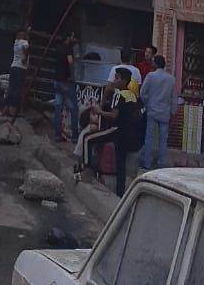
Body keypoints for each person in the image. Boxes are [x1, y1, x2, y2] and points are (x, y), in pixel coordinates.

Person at [81, 68, 139, 198]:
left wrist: (100, 112)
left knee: (87, 138)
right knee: (120, 166)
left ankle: (87, 170)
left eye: (117, 78)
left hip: (116, 130)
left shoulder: (119, 95)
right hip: (128, 133)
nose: (114, 81)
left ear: (124, 81)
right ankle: (120, 194)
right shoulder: (132, 95)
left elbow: (113, 116)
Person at [139, 54, 179, 171]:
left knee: (149, 137)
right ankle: (161, 163)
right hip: (165, 112)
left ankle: (147, 163)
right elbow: (174, 98)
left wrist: (147, 103)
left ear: (155, 64)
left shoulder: (150, 76)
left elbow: (142, 93)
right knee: (163, 139)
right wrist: (173, 112)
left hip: (152, 110)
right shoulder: (171, 79)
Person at [53, 33, 79, 143]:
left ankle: (57, 135)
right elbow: (70, 61)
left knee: (58, 108)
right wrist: (75, 57)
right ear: (68, 38)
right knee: (73, 108)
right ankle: (75, 137)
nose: (74, 38)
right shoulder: (68, 48)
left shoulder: (58, 47)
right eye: (72, 36)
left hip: (57, 81)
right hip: (65, 82)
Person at [3, 28, 29, 120]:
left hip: (13, 66)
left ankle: (6, 107)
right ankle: (13, 110)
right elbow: (26, 48)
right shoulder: (24, 42)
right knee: (17, 89)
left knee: (11, 88)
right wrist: (25, 58)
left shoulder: (16, 42)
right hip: (21, 68)